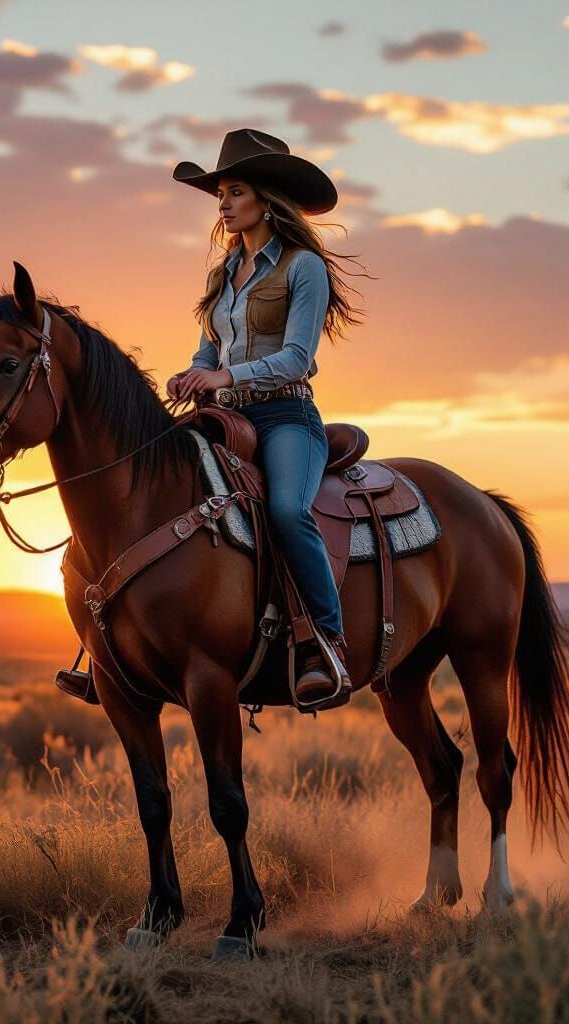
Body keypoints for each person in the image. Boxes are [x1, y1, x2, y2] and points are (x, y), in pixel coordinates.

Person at [166, 128, 365, 704]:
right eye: (220, 195)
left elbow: (298, 357)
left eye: (233, 192)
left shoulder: (304, 268)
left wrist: (226, 377)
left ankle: (325, 642)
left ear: (266, 200)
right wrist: (194, 373)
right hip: (223, 418)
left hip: (285, 418)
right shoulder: (221, 275)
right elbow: (210, 348)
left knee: (284, 508)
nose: (223, 205)